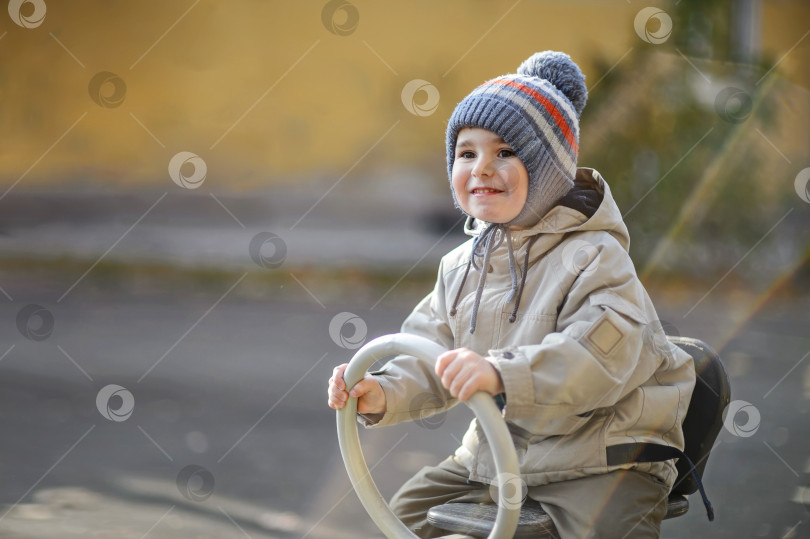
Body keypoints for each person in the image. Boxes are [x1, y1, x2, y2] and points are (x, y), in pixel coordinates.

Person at [327, 50, 696, 538]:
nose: (481, 168)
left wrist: (503, 372)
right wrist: (382, 392)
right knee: (405, 516)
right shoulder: (462, 265)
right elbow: (430, 353)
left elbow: (598, 358)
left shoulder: (595, 256)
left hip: (601, 458)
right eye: (466, 153)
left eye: (504, 152)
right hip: (499, 457)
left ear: (547, 170)